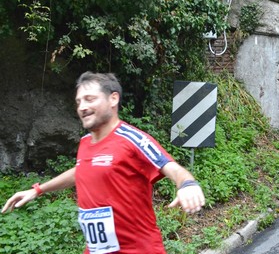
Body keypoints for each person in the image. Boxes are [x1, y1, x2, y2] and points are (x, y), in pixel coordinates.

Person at [1, 71, 206, 254]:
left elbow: (172, 167)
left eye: (90, 99)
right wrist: (37, 190)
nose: (82, 107)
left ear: (113, 99)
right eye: (79, 101)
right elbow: (81, 170)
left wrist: (187, 184)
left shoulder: (131, 139)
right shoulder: (85, 143)